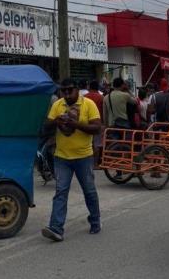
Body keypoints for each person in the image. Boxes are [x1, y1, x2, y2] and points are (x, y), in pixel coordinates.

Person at [41, 78, 102, 242]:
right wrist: (56, 122)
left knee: (89, 191)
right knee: (60, 192)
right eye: (63, 91)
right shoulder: (58, 105)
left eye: (70, 90)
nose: (67, 94)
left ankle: (95, 221)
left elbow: (97, 128)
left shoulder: (88, 104)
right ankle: (56, 228)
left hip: (84, 157)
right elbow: (45, 126)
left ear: (77, 90)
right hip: (62, 157)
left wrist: (76, 124)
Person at [84, 80, 105, 168]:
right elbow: (103, 111)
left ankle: (86, 163)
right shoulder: (101, 97)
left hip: (86, 124)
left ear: (89, 87)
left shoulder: (85, 97)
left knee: (86, 144)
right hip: (97, 123)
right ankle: (95, 164)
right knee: (97, 144)